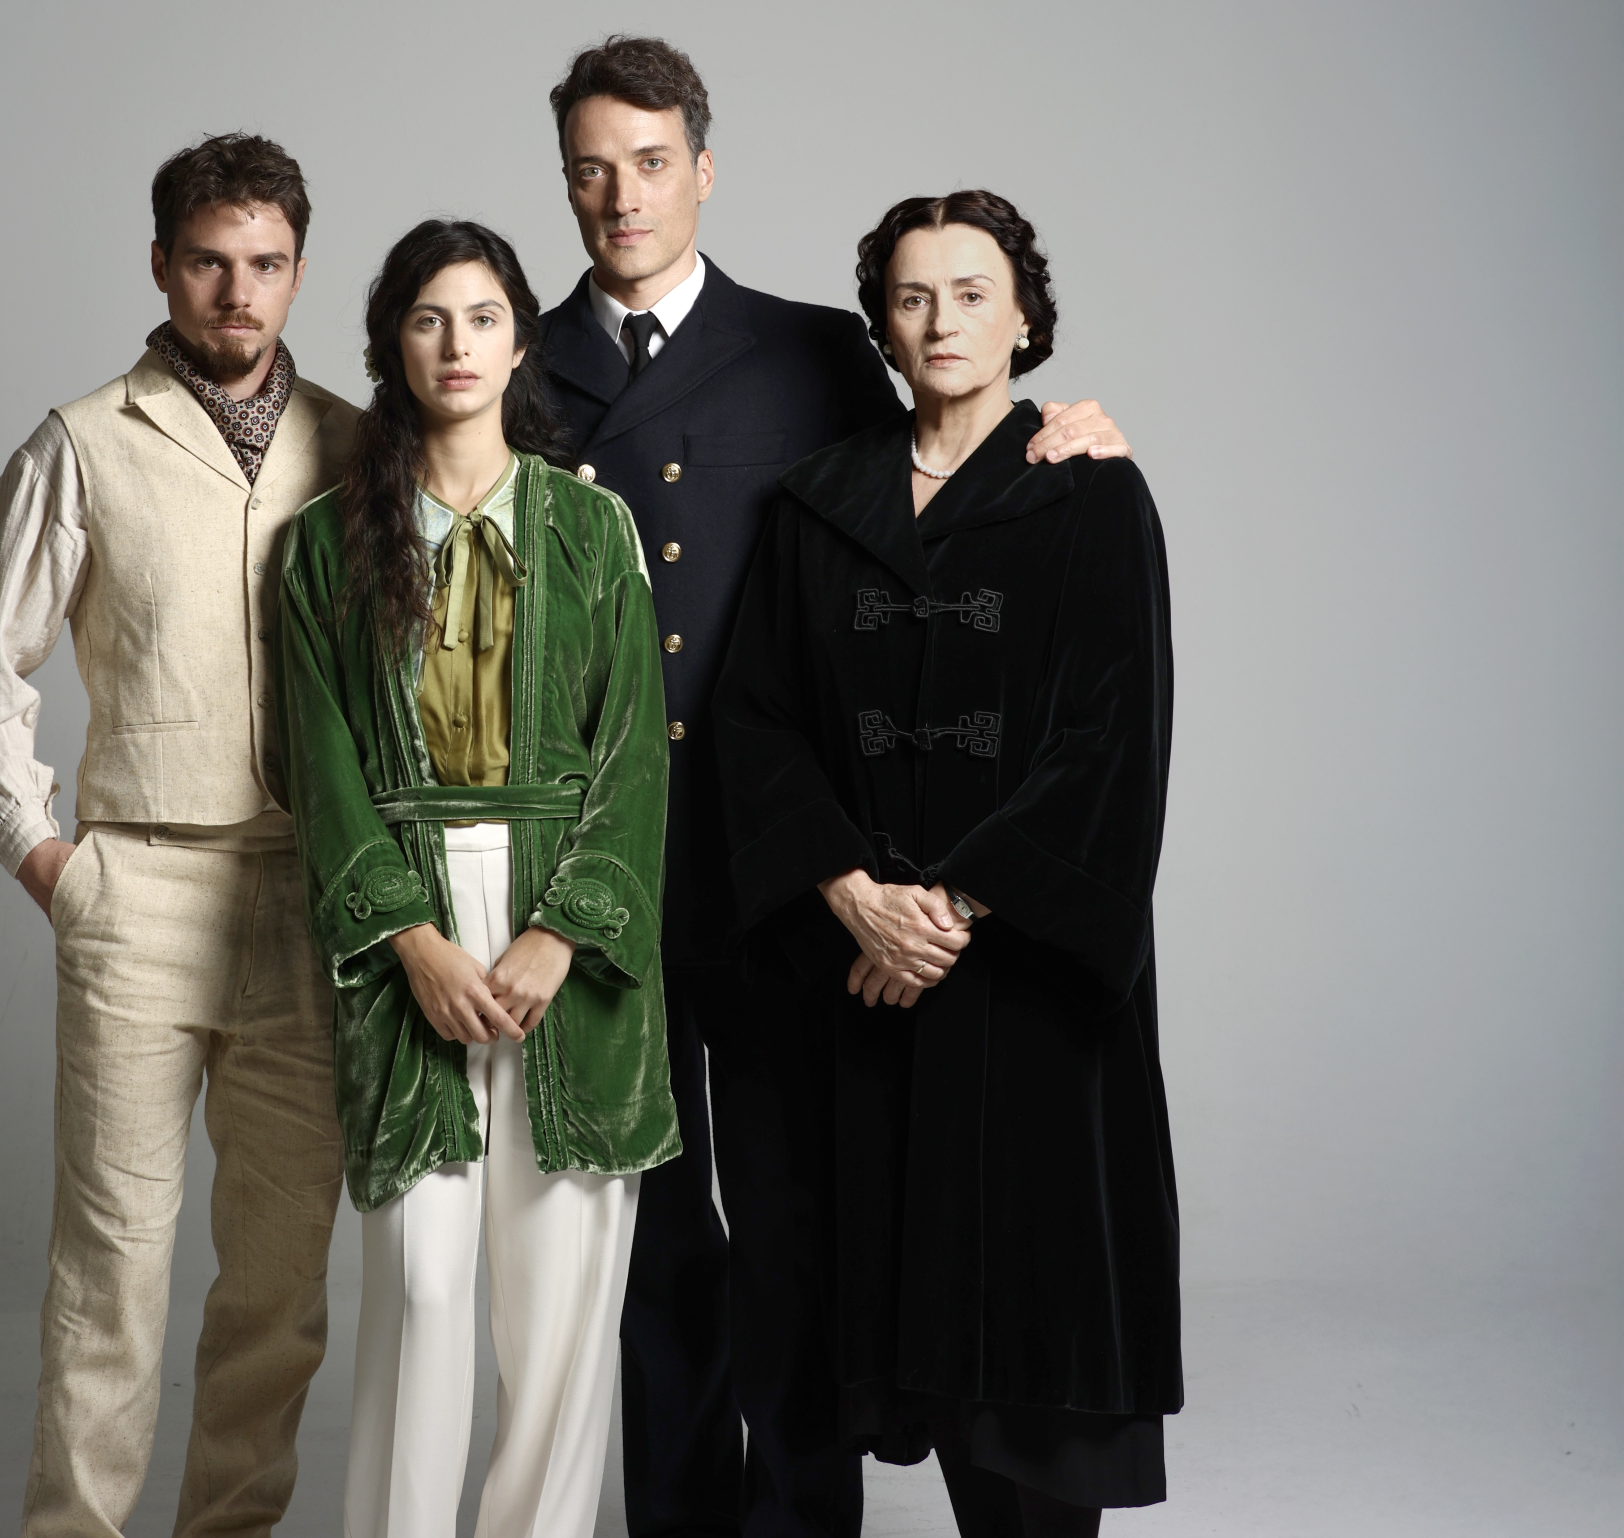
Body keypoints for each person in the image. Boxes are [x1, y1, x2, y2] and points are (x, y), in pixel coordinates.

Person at [537, 36, 1135, 1537]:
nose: (624, 196)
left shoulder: (812, 351)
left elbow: (941, 491)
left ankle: (802, 1520)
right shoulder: (507, 362)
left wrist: (1073, 432)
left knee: (795, 1223)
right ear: (567, 182)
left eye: (652, 162)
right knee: (646, 1231)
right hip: (595, 862)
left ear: (704, 168)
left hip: (781, 870)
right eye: (593, 169)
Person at [712, 190, 1180, 1538]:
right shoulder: (820, 505)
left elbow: (1114, 736)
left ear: (1025, 316)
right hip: (861, 975)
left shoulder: (1092, 492)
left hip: (1027, 979)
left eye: (973, 293)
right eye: (913, 297)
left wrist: (958, 903)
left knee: (1030, 1323)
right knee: (891, 1305)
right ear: (883, 323)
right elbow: (756, 718)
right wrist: (853, 895)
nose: (942, 322)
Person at [0, 133, 356, 1537]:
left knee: (281, 1281)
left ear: (299, 270)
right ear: (161, 264)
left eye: (267, 264)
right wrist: (57, 868)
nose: (240, 292)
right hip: (137, 889)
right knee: (111, 1273)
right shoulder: (82, 442)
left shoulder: (356, 445)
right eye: (210, 262)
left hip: (316, 900)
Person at [277, 220, 677, 1538]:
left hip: (571, 925)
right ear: (392, 345)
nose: (458, 344)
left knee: (562, 1310)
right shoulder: (325, 544)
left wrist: (566, 932)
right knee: (422, 1287)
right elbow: (321, 767)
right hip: (412, 926)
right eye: (428, 319)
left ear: (521, 343)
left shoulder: (593, 526)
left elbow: (634, 756)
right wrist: (409, 938)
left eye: (485, 317)